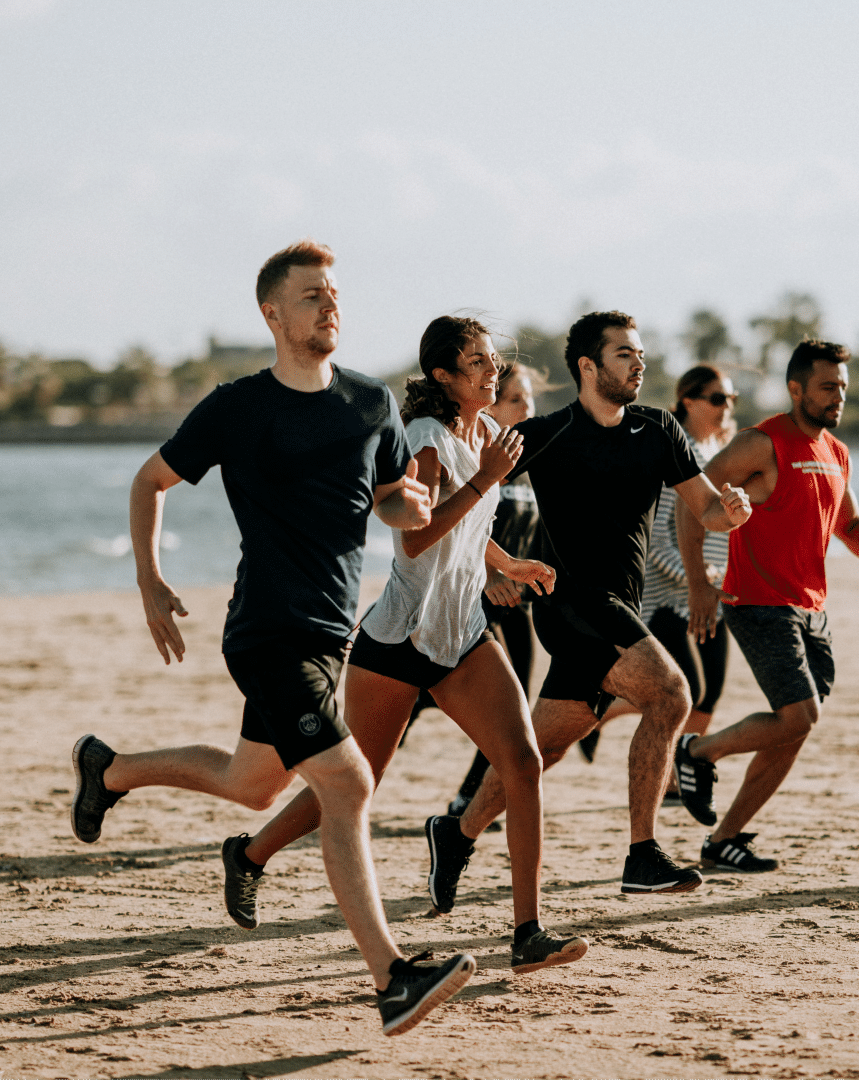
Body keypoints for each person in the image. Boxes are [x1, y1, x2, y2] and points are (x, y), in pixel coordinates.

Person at [65, 240, 473, 1037]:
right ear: (273, 314)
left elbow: (390, 499)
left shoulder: (370, 403)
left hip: (328, 635)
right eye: (312, 295)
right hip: (265, 632)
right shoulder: (237, 407)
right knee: (348, 785)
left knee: (252, 785)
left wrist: (413, 508)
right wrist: (149, 579)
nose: (330, 305)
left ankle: (108, 770)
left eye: (334, 294)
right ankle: (393, 978)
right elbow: (150, 481)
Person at [223, 316, 589, 975]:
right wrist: (485, 480)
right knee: (357, 780)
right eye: (476, 362)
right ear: (444, 376)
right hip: (398, 638)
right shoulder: (424, 438)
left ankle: (528, 932)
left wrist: (507, 564)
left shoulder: (486, 435)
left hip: (462, 633)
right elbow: (416, 537)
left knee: (523, 762)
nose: (492, 370)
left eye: (493, 359)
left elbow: (468, 529)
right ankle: (250, 854)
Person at [426, 311, 752, 904]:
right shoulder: (546, 433)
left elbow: (705, 508)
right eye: (624, 354)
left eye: (640, 353)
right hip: (570, 601)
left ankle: (457, 832)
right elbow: (464, 499)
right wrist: (491, 570)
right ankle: (642, 854)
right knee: (672, 694)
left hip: (620, 604)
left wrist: (729, 512)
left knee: (544, 748)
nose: (638, 363)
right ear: (588, 366)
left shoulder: (658, 429)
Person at [671, 339, 859, 873]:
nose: (838, 397)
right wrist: (697, 581)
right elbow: (690, 501)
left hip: (812, 608)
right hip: (758, 602)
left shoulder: (837, 452)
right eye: (827, 387)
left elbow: (849, 527)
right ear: (795, 389)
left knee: (795, 727)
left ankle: (723, 840)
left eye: (843, 388)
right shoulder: (760, 443)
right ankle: (697, 752)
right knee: (799, 715)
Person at [629, 365, 739, 799]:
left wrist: (720, 580)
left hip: (713, 595)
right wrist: (695, 578)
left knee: (711, 691)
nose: (726, 407)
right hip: (667, 599)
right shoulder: (677, 454)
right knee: (686, 689)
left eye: (731, 399)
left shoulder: (723, 452)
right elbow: (655, 541)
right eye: (717, 398)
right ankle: (668, 774)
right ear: (688, 401)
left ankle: (680, 771)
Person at [447, 358, 547, 815]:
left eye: (530, 399)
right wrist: (489, 574)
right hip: (473, 600)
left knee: (514, 706)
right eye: (516, 400)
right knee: (433, 696)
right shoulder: (479, 460)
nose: (528, 409)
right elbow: (455, 524)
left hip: (516, 606)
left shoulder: (528, 464)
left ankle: (469, 794)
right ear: (491, 405)